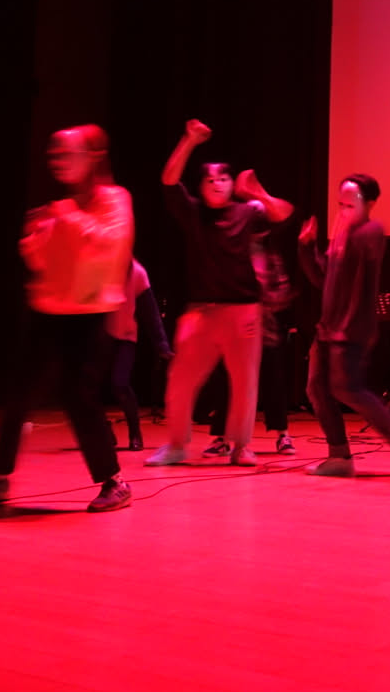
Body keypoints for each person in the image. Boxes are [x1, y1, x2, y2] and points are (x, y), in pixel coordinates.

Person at [0, 125, 134, 513]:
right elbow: (42, 263)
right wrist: (35, 240)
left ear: (92, 158)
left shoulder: (114, 199)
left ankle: (115, 481)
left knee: (79, 396)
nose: (57, 161)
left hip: (90, 313)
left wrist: (65, 217)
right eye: (54, 154)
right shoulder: (59, 207)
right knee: (18, 393)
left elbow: (107, 245)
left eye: (66, 153)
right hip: (48, 310)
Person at [144, 120, 293, 467]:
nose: (216, 183)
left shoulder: (248, 212)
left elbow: (284, 213)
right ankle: (176, 446)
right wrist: (189, 140)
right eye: (209, 179)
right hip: (201, 311)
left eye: (223, 178)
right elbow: (168, 180)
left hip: (244, 312)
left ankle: (241, 446)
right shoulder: (192, 212)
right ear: (200, 186)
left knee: (244, 382)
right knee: (180, 380)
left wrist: (258, 193)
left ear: (231, 184)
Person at [300, 173, 390, 477]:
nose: (343, 209)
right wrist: (307, 248)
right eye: (340, 204)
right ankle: (339, 456)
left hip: (351, 328)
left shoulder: (370, 232)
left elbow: (363, 262)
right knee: (317, 388)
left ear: (369, 203)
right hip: (327, 327)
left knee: (347, 388)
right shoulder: (342, 238)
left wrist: (344, 234)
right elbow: (322, 278)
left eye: (350, 203)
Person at [195, 242, 298, 455]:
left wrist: (259, 299)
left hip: (264, 330)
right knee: (227, 382)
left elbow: (282, 292)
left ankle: (283, 434)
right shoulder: (230, 255)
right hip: (234, 330)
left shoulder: (270, 257)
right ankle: (221, 437)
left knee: (273, 381)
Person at [103, 258, 170, 452]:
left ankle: (135, 432)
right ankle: (104, 431)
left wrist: (161, 343)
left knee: (120, 383)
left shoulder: (137, 273)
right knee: (89, 387)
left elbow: (150, 311)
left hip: (124, 336)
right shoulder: (98, 265)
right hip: (99, 337)